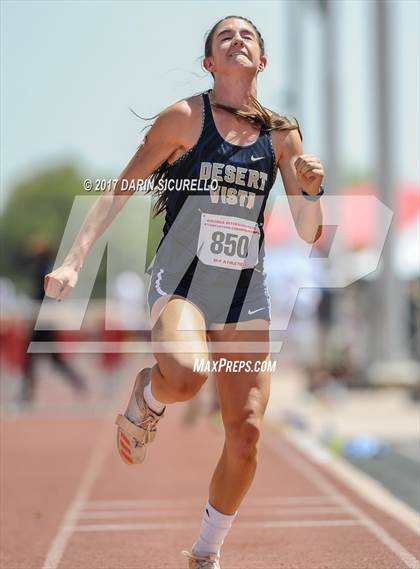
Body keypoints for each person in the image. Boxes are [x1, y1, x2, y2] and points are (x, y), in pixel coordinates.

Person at [44, 15, 324, 569]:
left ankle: (204, 552)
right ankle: (149, 394)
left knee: (245, 434)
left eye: (247, 35)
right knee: (187, 376)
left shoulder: (282, 135)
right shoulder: (183, 120)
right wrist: (74, 260)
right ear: (210, 63)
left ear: (262, 62)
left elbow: (311, 229)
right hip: (183, 286)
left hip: (246, 296)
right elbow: (118, 188)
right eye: (225, 36)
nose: (237, 39)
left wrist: (313, 191)